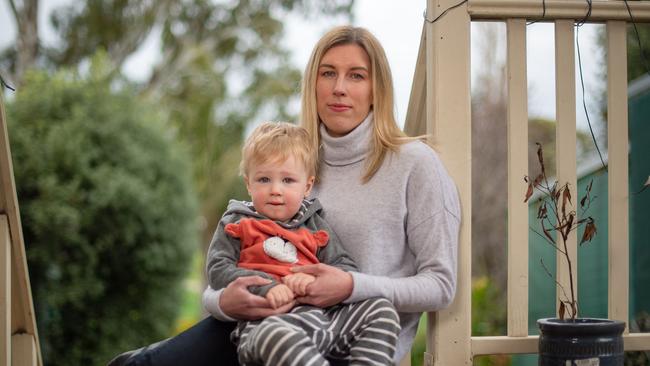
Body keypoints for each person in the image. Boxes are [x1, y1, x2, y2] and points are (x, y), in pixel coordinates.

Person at [109, 25, 459, 366]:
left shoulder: (415, 164)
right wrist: (222, 301)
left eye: (356, 75)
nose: (339, 88)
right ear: (313, 84)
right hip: (265, 325)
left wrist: (351, 285)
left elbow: (440, 285)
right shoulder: (291, 161)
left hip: (347, 341)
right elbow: (235, 255)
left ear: (377, 88)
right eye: (327, 74)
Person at [208, 121, 400, 365]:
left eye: (288, 180)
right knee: (278, 337)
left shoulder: (314, 224)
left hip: (324, 320)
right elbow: (218, 269)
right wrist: (267, 286)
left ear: (307, 186)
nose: (275, 190)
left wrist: (313, 280)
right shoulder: (237, 222)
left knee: (381, 309)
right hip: (268, 326)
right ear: (248, 184)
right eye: (264, 179)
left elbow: (346, 268)